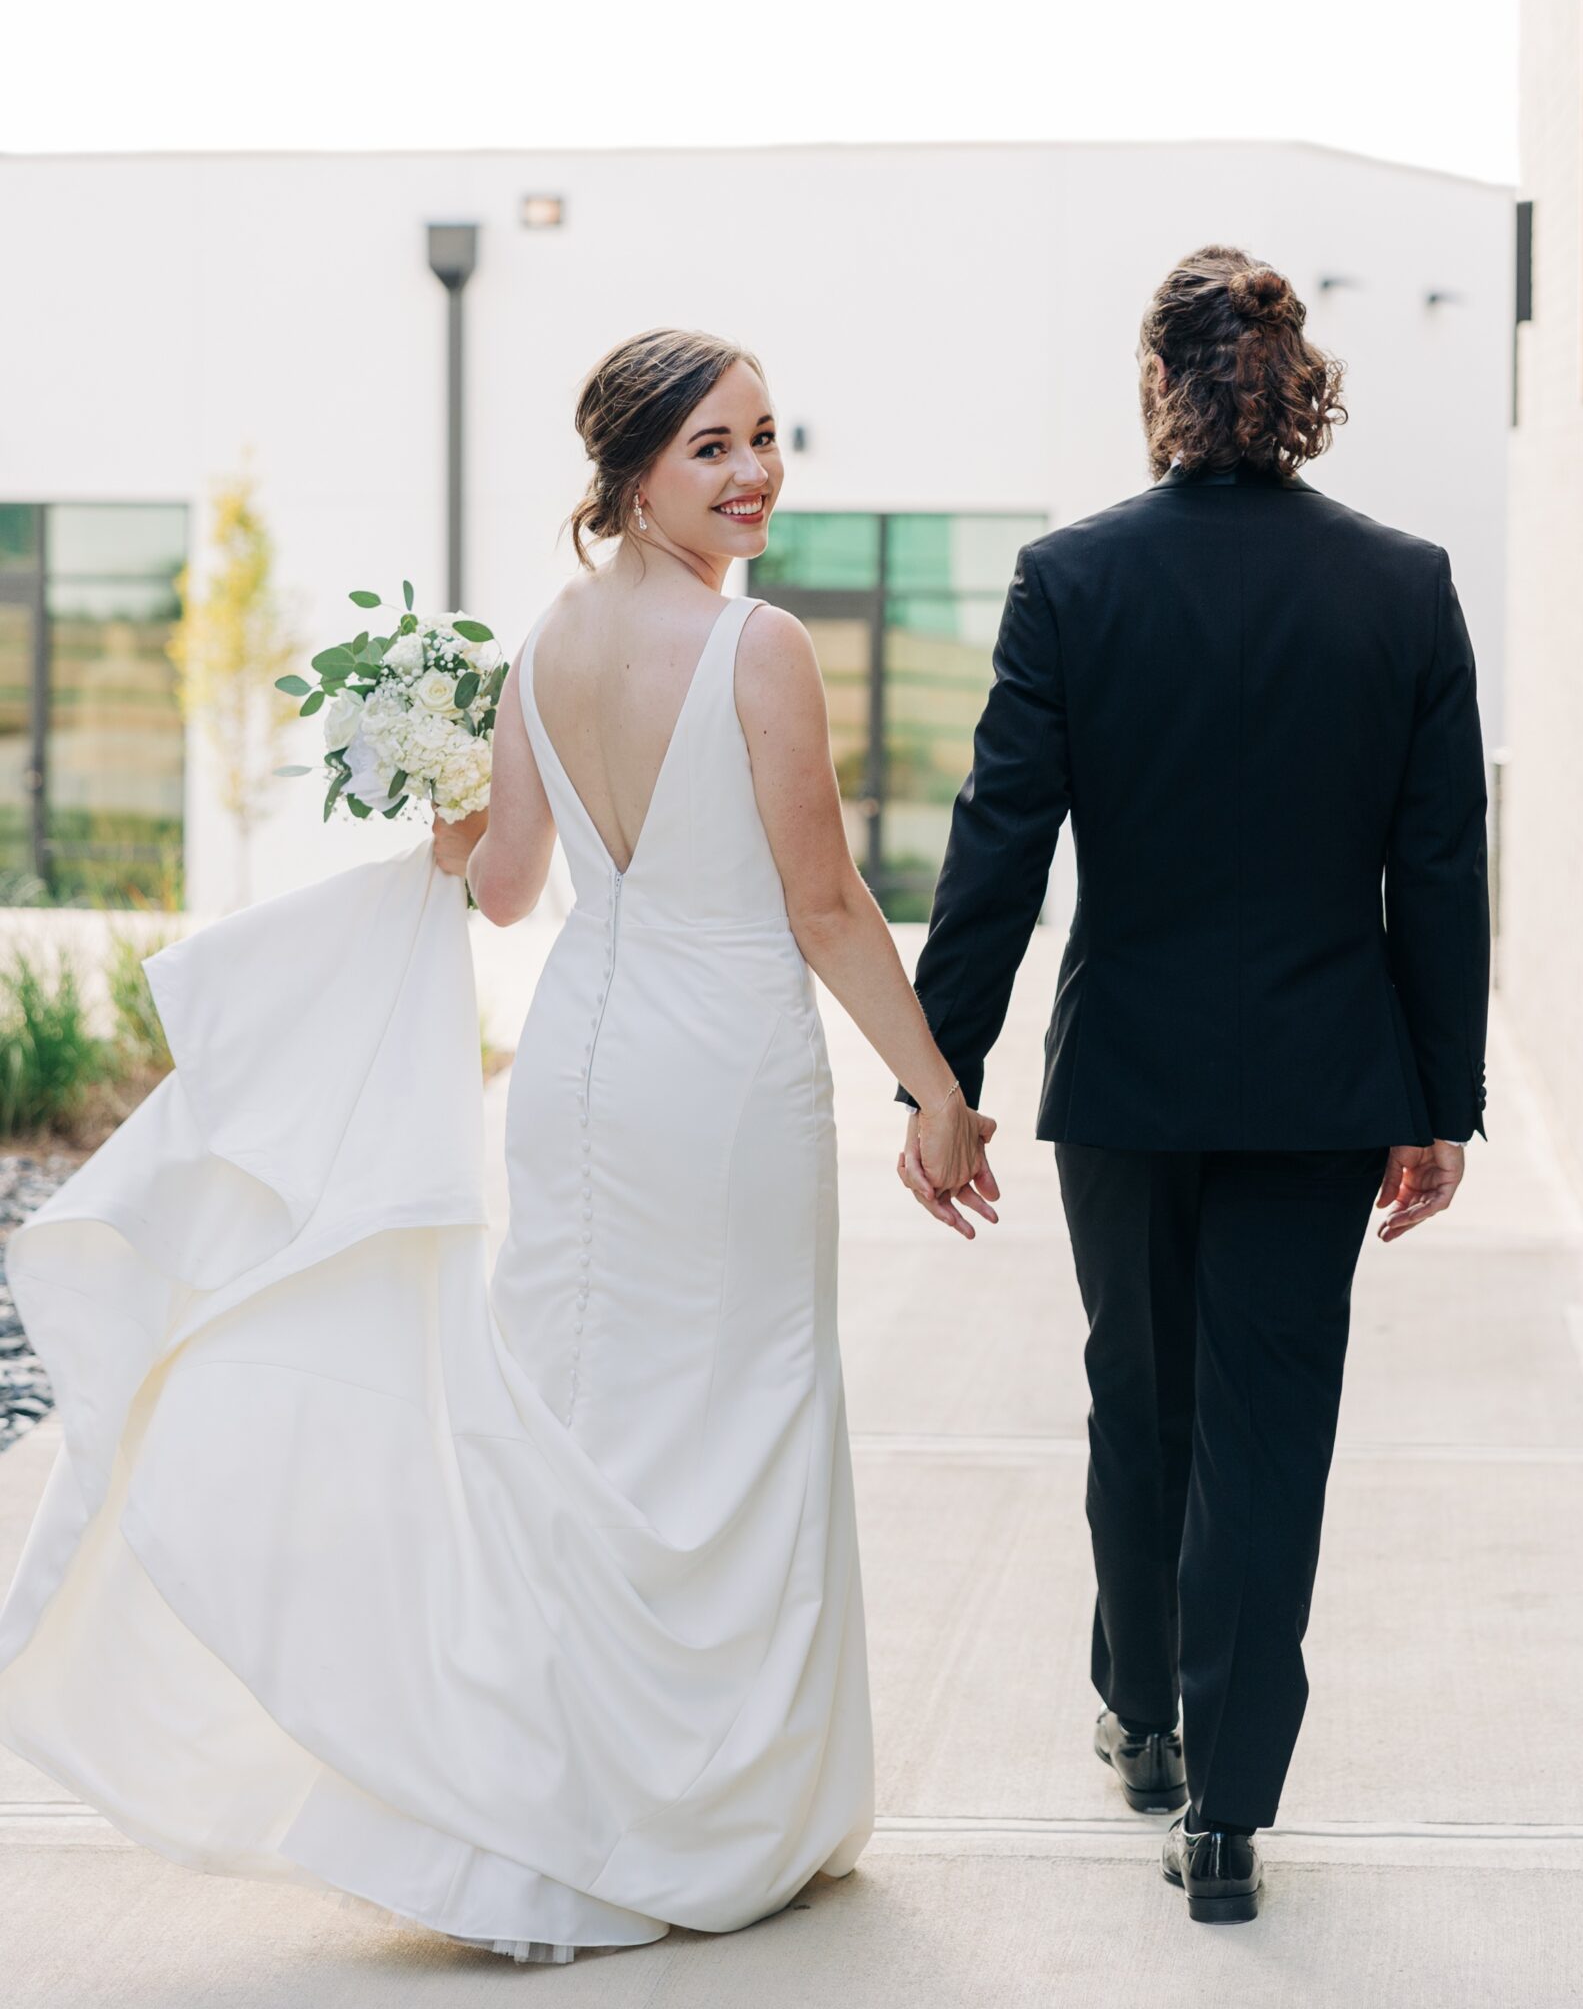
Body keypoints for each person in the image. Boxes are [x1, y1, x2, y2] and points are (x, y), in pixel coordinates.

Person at [0, 326, 996, 1966]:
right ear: (630, 474)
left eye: (763, 438)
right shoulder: (761, 650)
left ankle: (561, 1780)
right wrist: (935, 1092)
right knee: (737, 1417)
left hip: (578, 1069)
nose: (755, 473)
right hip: (724, 1078)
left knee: (583, 1426)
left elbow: (510, 889)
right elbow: (823, 903)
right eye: (714, 448)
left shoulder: (542, 645)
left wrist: (452, 821)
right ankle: (720, 1806)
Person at [894, 245, 1490, 1926]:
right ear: (1297, 383)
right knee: (1269, 1437)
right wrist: (1440, 1096)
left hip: (1134, 1080)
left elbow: (998, 845)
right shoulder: (1405, 583)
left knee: (1139, 1402)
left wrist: (941, 1083)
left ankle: (1141, 1715)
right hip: (1323, 1079)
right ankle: (1226, 1812)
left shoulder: (1072, 582)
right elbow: (1440, 866)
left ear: (1157, 383)